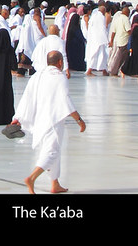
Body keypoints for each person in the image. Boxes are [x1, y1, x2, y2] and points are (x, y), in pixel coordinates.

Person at [13, 50, 86, 194]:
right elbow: (65, 100)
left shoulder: (38, 75)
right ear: (60, 62)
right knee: (52, 152)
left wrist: (18, 117)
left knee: (52, 150)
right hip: (54, 120)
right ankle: (32, 178)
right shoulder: (59, 77)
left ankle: (55, 183)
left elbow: (27, 97)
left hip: (39, 119)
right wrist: (79, 120)